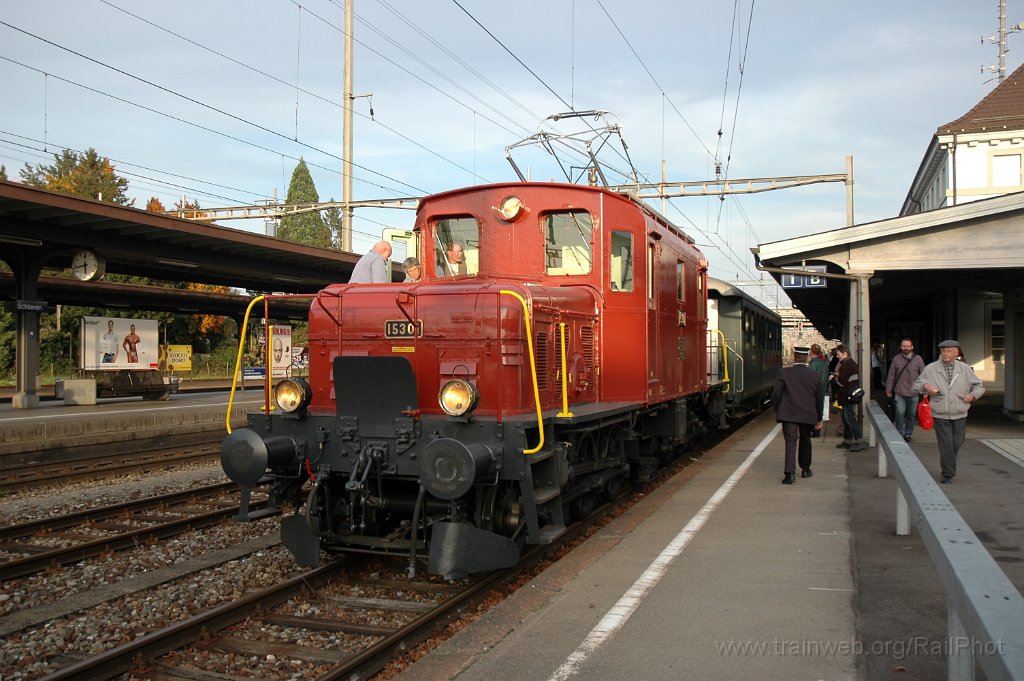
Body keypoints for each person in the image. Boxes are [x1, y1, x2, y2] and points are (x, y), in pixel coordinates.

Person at [912, 339, 985, 484]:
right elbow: (916, 385)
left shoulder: (964, 368)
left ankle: (949, 464)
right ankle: (948, 473)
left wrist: (972, 395)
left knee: (957, 443)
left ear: (956, 353)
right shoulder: (931, 368)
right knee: (946, 444)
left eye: (949, 351)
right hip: (940, 412)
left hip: (960, 411)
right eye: (943, 351)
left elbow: (979, 386)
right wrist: (926, 386)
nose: (945, 354)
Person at [772, 350, 824, 484]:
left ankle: (789, 474)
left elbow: (776, 393)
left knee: (790, 441)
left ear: (794, 357)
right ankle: (805, 469)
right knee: (806, 440)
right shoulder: (815, 376)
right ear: (807, 358)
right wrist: (819, 418)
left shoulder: (784, 373)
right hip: (807, 413)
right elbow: (819, 399)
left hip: (788, 413)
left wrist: (778, 408)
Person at [885, 338, 925, 442]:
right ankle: (899, 433)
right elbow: (891, 375)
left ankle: (908, 434)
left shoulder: (918, 359)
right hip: (900, 392)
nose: (905, 348)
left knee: (911, 415)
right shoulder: (896, 359)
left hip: (914, 392)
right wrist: (889, 389)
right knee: (899, 413)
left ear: (912, 347)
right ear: (900, 347)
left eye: (907, 346)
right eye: (903, 346)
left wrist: (925, 390)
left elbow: (924, 375)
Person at [831, 344, 867, 451]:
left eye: (839, 354)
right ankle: (848, 440)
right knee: (846, 418)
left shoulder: (847, 365)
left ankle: (859, 441)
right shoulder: (849, 363)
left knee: (850, 418)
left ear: (845, 353)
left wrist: (833, 378)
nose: (838, 356)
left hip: (848, 395)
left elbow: (842, 382)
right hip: (848, 395)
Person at [807, 343, 830, 437]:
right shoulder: (824, 363)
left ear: (812, 352)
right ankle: (818, 430)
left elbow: (810, 378)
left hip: (814, 391)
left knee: (813, 411)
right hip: (823, 390)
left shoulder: (813, 364)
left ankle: (814, 430)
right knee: (820, 410)